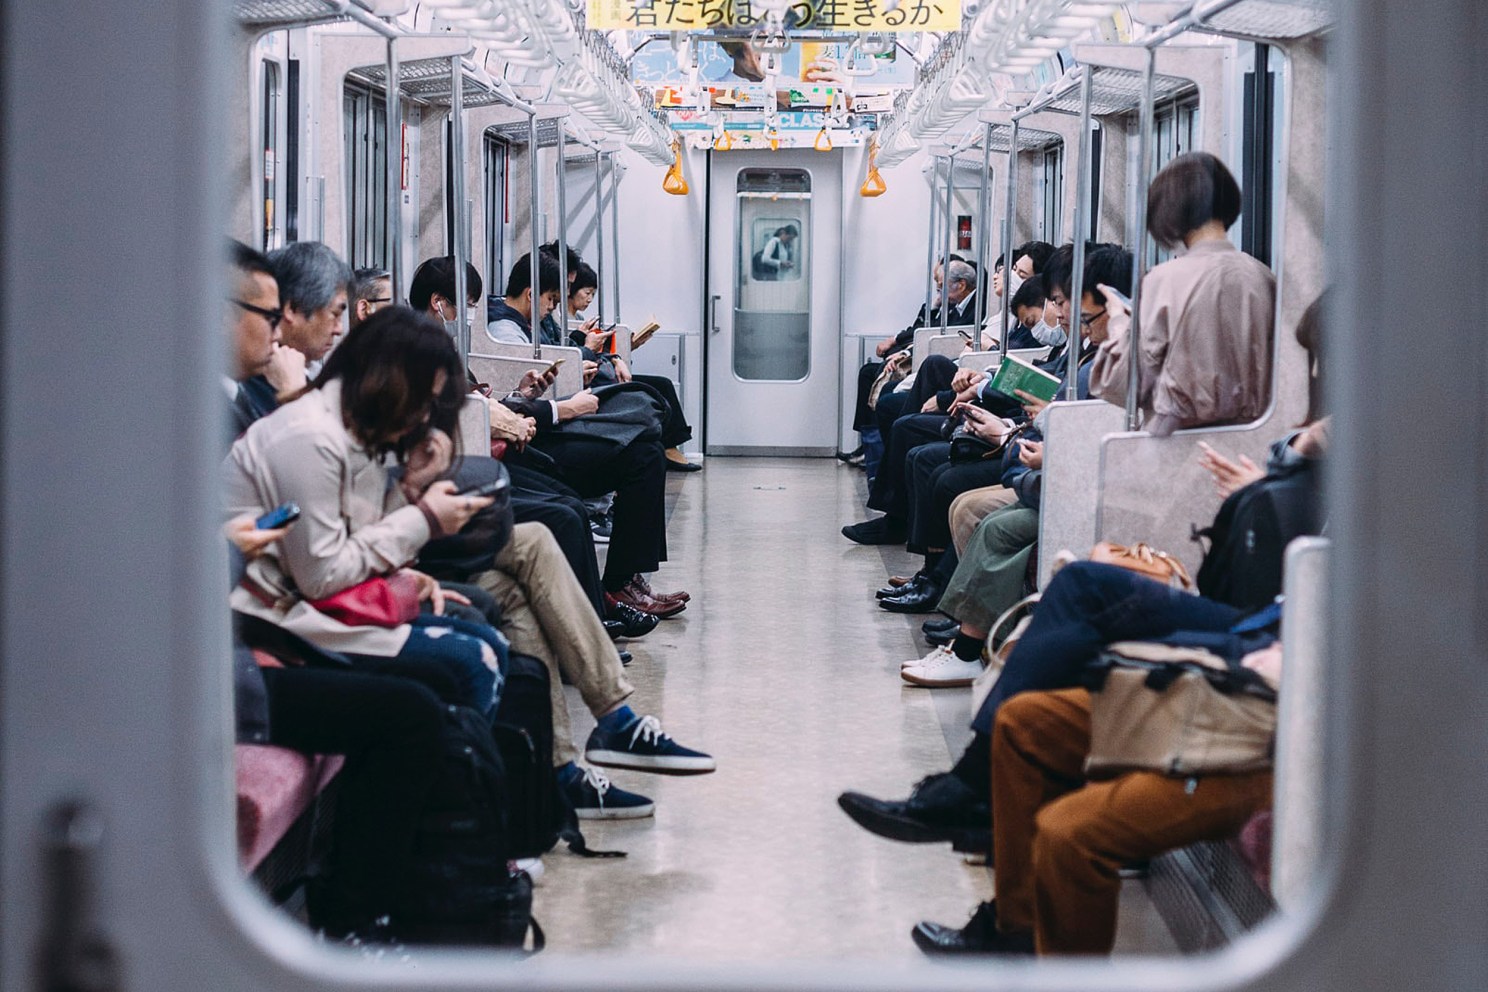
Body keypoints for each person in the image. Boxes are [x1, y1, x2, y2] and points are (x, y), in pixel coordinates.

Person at [224, 306, 506, 713]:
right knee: (472, 660)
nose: (424, 417)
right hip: (273, 619)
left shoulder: (355, 428)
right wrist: (424, 518)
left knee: (484, 636)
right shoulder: (310, 438)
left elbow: (361, 537)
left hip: (303, 602)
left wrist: (411, 486)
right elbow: (322, 576)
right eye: (422, 400)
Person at [1089, 152, 1275, 435]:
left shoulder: (1163, 280)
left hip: (1178, 446)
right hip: (1254, 441)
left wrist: (1119, 323)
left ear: (1167, 211)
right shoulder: (1262, 276)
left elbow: (1128, 384)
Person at [567, 262, 699, 472]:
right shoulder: (566, 323)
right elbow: (576, 355)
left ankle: (670, 445)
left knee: (661, 384)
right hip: (594, 376)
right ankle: (668, 447)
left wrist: (628, 349)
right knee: (657, 387)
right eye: (587, 292)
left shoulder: (581, 319)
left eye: (593, 294)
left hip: (602, 369)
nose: (590, 299)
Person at [267, 241, 351, 370]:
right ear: (292, 309)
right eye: (335, 314)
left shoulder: (314, 373)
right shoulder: (251, 384)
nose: (339, 330)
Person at [487, 251, 564, 346]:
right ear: (531, 295)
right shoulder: (506, 335)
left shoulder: (525, 323)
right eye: (550, 298)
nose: (551, 306)